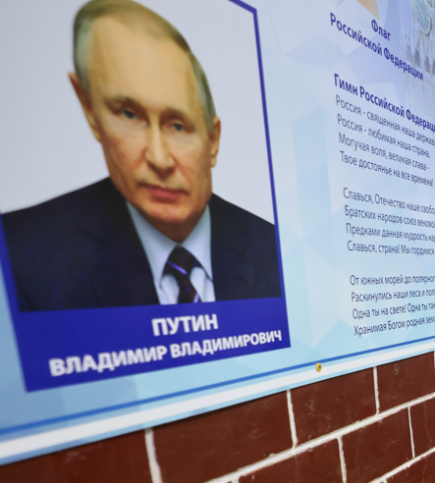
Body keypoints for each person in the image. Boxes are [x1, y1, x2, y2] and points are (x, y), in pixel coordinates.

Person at [1, 0, 281, 312]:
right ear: (89, 109)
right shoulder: (19, 256)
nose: (159, 160)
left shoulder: (275, 249)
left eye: (178, 125)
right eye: (129, 115)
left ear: (213, 140)